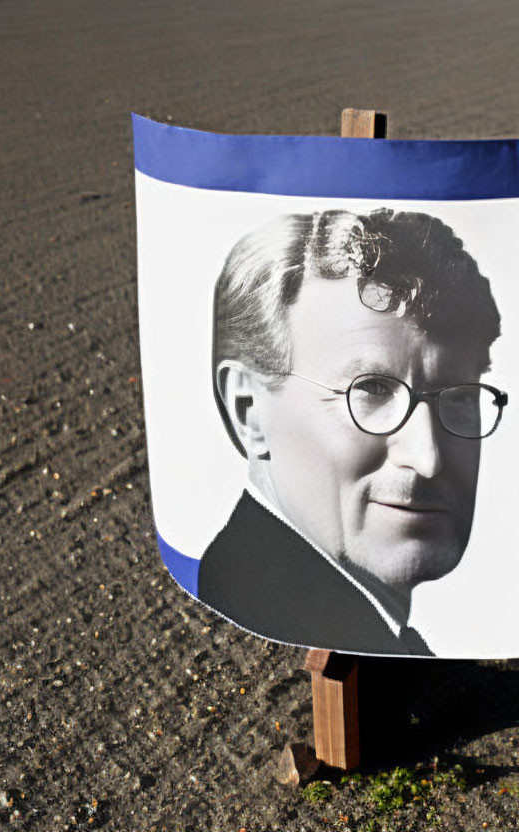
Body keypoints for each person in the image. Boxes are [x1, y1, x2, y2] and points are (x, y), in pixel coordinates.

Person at [198, 208, 507, 655]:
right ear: (248, 409)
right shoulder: (260, 629)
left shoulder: (372, 632)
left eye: (459, 397)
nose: (428, 457)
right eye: (373, 390)